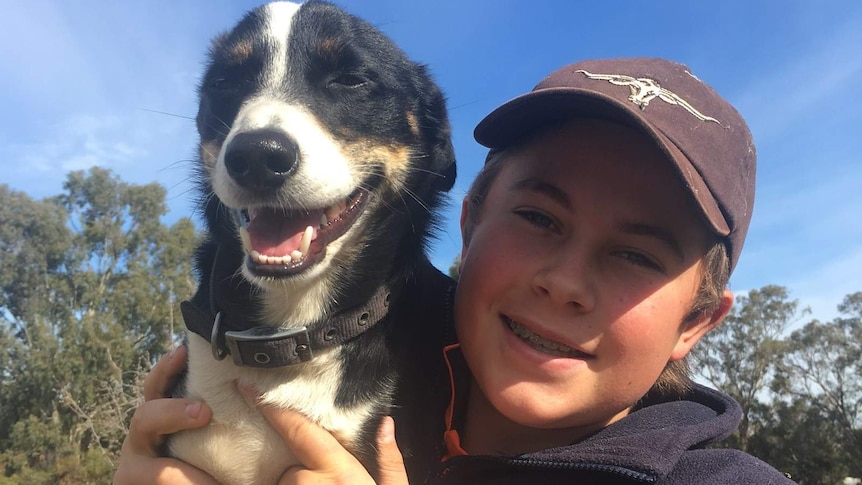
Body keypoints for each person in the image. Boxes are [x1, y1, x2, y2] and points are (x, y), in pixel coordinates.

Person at [115, 58, 796, 484]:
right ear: (469, 223)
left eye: (636, 255)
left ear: (698, 319)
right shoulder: (343, 359)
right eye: (539, 218)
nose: (563, 281)